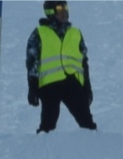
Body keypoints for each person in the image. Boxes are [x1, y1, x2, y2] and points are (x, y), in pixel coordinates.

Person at [27, 0, 96, 133]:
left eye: (65, 8)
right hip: (50, 84)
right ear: (50, 12)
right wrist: (32, 87)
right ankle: (42, 144)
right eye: (59, 9)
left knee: (87, 122)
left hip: (72, 82)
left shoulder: (75, 33)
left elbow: (83, 62)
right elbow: (32, 61)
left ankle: (94, 143)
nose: (64, 12)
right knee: (48, 124)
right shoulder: (39, 33)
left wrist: (87, 86)